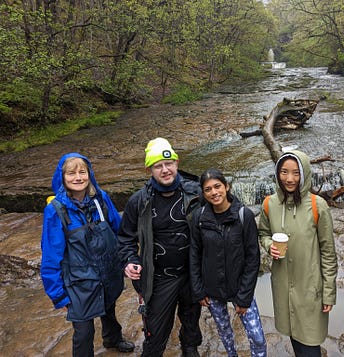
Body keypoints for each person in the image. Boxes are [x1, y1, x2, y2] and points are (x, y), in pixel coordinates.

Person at [40, 153, 135, 357]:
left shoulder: (101, 198)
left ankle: (113, 339)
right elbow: (50, 256)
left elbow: (118, 231)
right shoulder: (55, 211)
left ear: (89, 174)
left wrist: (126, 260)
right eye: (71, 173)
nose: (78, 177)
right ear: (62, 177)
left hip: (107, 273)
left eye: (82, 172)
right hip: (79, 282)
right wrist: (58, 294)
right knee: (84, 331)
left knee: (109, 308)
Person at [118, 137, 202, 357]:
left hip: (192, 273)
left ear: (176, 162)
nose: (165, 170)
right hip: (159, 277)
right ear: (149, 169)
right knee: (155, 332)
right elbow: (125, 238)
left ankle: (190, 347)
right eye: (158, 166)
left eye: (169, 163)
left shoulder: (196, 192)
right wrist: (130, 261)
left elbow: (226, 209)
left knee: (191, 318)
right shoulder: (139, 201)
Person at [258, 150, 338, 357]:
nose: (290, 179)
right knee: (294, 336)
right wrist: (269, 246)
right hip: (283, 285)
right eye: (284, 172)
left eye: (296, 173)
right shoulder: (269, 204)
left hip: (310, 287)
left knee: (310, 344)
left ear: (304, 174)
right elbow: (264, 233)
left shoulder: (317, 205)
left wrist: (329, 292)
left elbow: (328, 253)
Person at [190, 168, 267, 357]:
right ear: (203, 193)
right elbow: (194, 254)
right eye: (208, 189)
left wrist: (244, 296)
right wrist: (198, 289)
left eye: (217, 186)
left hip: (239, 287)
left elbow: (252, 257)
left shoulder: (243, 215)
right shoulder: (199, 218)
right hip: (213, 290)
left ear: (226, 186)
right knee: (224, 332)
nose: (214, 192)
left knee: (257, 337)